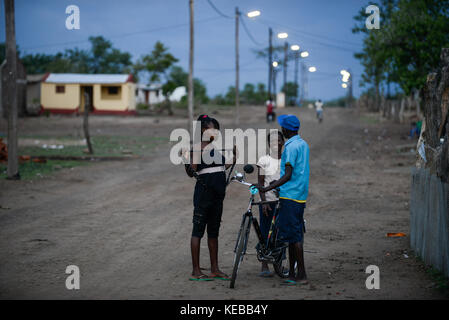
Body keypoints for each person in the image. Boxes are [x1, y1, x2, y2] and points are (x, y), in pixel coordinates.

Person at [252, 114, 309, 286]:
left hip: (290, 196)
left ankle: (302, 275)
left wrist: (268, 187)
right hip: (299, 195)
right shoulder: (303, 144)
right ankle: (292, 273)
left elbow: (288, 174)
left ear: (286, 130)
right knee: (292, 237)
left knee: (295, 238)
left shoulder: (291, 148)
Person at [184, 115, 236, 281]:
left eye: (217, 129)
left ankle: (215, 269)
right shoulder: (198, 148)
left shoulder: (214, 149)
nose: (215, 132)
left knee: (213, 233)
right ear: (203, 130)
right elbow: (192, 171)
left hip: (217, 197)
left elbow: (221, 167)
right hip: (204, 196)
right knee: (198, 232)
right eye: (212, 129)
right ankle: (196, 271)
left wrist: (234, 157)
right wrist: (188, 159)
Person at [256, 130, 285, 277]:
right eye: (272, 141)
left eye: (278, 140)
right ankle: (264, 264)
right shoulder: (264, 160)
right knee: (265, 232)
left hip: (283, 202)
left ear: (283, 142)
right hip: (268, 202)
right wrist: (263, 202)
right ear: (269, 144)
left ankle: (279, 264)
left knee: (281, 233)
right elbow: (260, 183)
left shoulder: (286, 160)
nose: (276, 143)